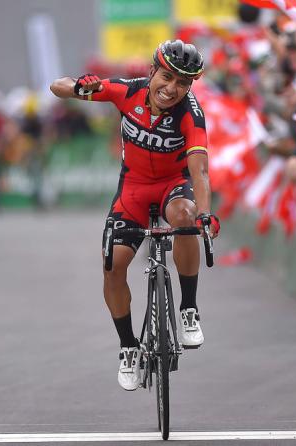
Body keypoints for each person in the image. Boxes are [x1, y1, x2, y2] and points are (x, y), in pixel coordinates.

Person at [50, 40, 220, 391]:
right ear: (152, 70)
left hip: (174, 186)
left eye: (183, 84)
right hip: (134, 191)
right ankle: (128, 346)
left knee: (186, 218)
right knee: (112, 264)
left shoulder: (191, 113)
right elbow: (59, 87)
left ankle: (188, 307)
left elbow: (199, 170)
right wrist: (82, 87)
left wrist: (206, 214)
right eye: (168, 77)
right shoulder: (126, 91)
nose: (172, 89)